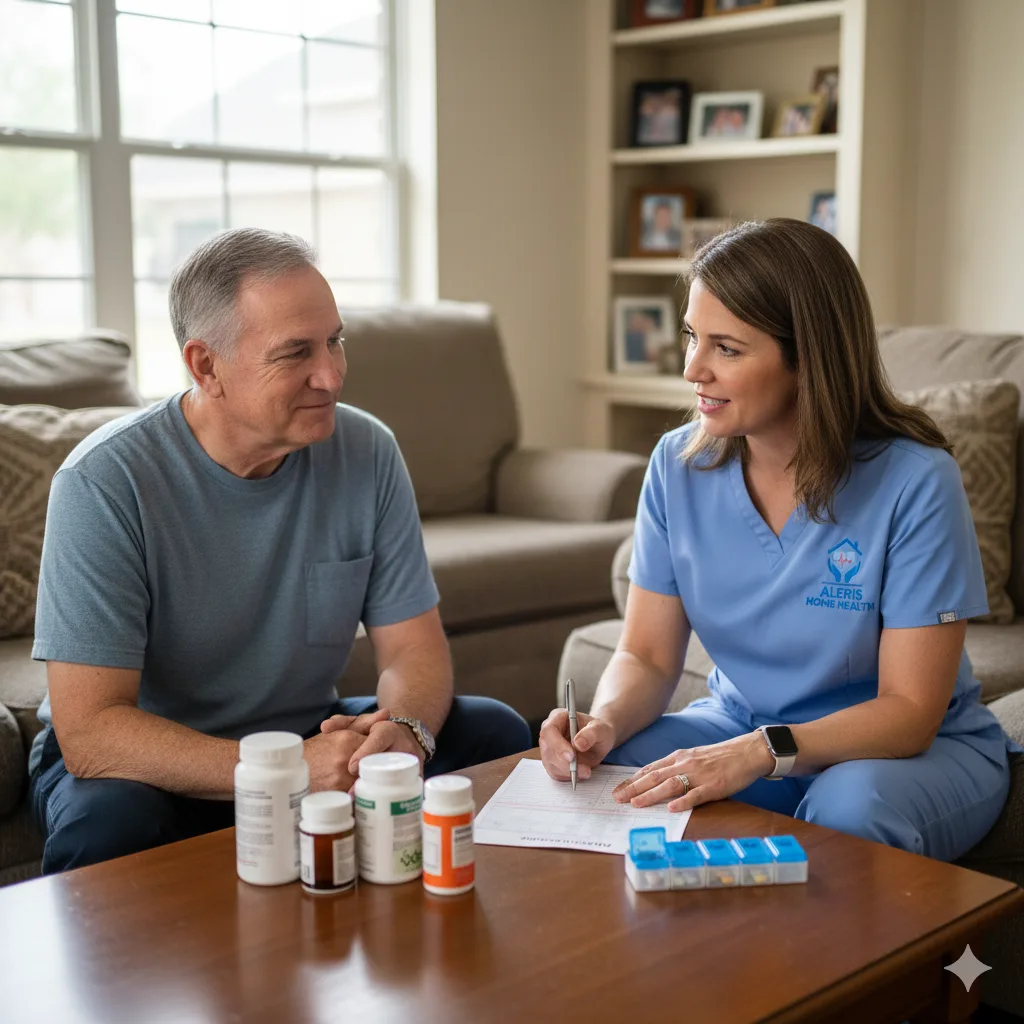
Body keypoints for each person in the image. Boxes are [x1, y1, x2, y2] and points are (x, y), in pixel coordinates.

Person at [29, 227, 531, 874]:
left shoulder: (368, 452)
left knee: (492, 733)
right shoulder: (104, 482)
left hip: (304, 732)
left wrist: (403, 732)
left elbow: (412, 647)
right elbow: (92, 732)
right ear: (206, 366)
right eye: (296, 353)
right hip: (152, 765)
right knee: (109, 825)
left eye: (335, 341)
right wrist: (288, 770)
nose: (332, 374)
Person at [540, 218, 1016, 862]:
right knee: (615, 772)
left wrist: (762, 753)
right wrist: (603, 722)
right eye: (691, 337)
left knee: (848, 809)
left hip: (904, 753)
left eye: (726, 349)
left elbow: (910, 709)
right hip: (741, 728)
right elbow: (649, 655)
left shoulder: (915, 480)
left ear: (806, 359)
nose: (692, 370)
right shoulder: (676, 465)